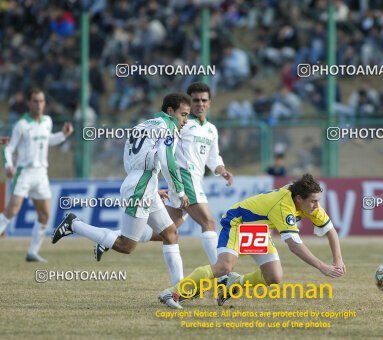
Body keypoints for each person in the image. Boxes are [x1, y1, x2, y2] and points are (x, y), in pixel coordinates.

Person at [52, 93, 191, 288]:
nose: (185, 120)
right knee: (126, 246)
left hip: (141, 183)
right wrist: (179, 190)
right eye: (183, 115)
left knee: (170, 234)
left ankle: (179, 289)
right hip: (140, 187)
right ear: (170, 111)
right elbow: (167, 159)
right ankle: (74, 224)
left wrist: (149, 186)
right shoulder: (169, 127)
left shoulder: (144, 124)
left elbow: (131, 157)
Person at [95, 82, 233, 267]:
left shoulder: (211, 130)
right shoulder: (182, 124)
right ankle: (221, 272)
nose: (200, 104)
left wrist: (222, 170)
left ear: (210, 102)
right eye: (196, 100)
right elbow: (164, 150)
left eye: (204, 100)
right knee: (209, 222)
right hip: (184, 177)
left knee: (167, 232)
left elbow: (213, 157)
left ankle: (111, 237)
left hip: (194, 180)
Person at [159, 174, 346, 309]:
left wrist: (338, 259)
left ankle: (235, 284)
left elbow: (330, 231)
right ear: (299, 199)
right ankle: (173, 291)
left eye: (318, 201)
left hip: (258, 230)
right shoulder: (283, 205)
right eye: (314, 201)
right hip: (237, 222)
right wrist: (322, 266)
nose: (317, 206)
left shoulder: (310, 206)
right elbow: (294, 245)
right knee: (224, 267)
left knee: (274, 277)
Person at [0, 88, 73, 262]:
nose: (39, 104)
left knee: (45, 215)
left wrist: (63, 135)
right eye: (35, 101)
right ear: (29, 103)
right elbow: (9, 148)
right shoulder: (21, 125)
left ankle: (32, 252)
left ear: (45, 103)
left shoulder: (47, 121)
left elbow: (49, 140)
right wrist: (9, 165)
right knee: (12, 210)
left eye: (41, 101)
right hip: (24, 173)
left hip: (41, 175)